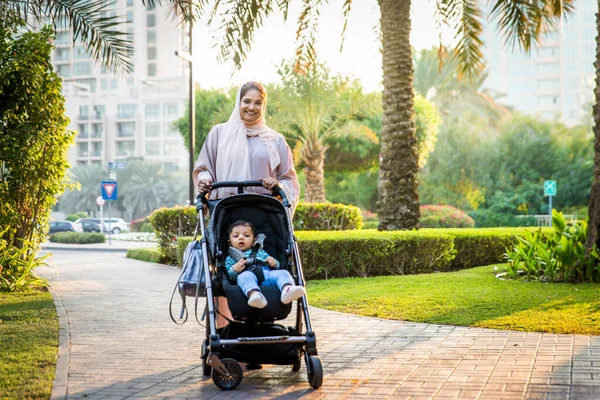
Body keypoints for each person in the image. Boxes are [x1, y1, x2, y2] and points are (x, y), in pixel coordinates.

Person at [193, 81, 300, 212]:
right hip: (226, 212)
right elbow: (204, 170)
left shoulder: (276, 140)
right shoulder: (219, 133)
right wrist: (204, 180)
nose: (252, 107)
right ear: (239, 103)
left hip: (265, 213)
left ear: (264, 106)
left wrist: (278, 185)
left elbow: (289, 180)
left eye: (258, 103)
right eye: (247, 101)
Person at [225, 220, 305, 308]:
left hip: (267, 274)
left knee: (283, 273)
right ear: (229, 242)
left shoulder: (260, 252)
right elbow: (230, 276)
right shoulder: (230, 258)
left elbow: (274, 264)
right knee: (242, 277)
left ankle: (287, 289)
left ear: (254, 240)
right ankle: (255, 295)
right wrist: (234, 270)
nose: (241, 238)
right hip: (248, 276)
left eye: (246, 235)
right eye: (236, 236)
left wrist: (274, 262)